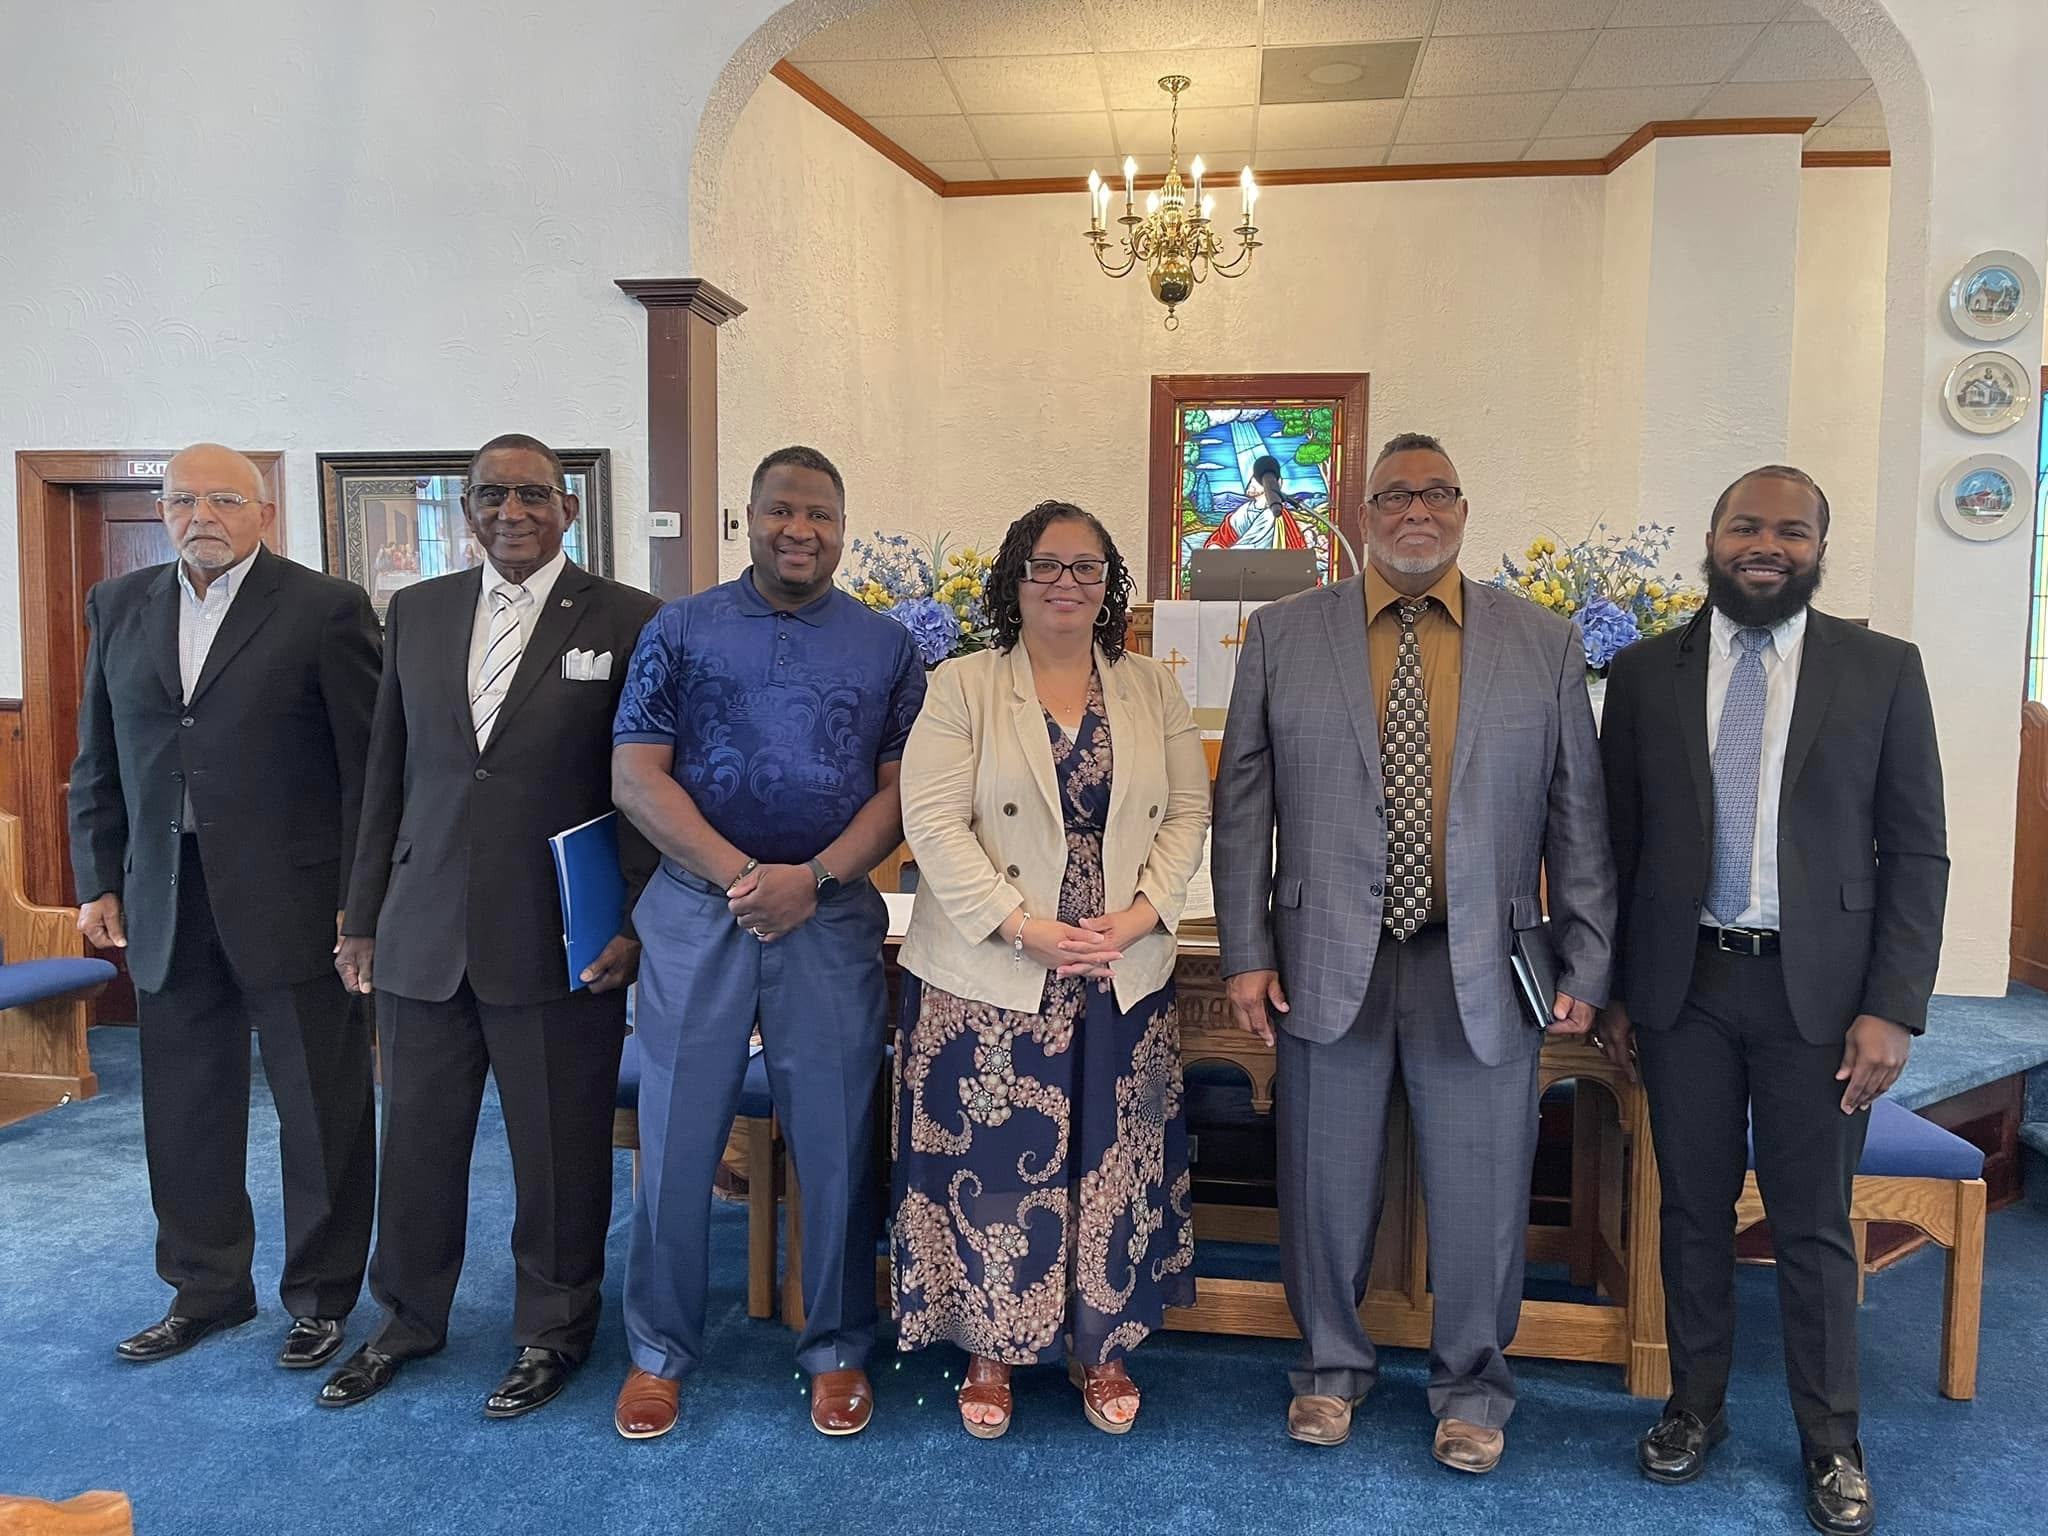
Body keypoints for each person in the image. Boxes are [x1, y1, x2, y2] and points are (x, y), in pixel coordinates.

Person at [1211, 431, 1614, 1473]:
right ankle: (1328, 1369)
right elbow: (1243, 803)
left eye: (1437, 493)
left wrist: (1585, 960)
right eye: (1394, 495)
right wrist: (1246, 950)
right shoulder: (1283, 634)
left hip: (1481, 958)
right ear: (1362, 514)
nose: (1416, 512)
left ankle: (1472, 1388)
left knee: (1483, 1192)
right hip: (1322, 955)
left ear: (1464, 510)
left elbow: (1576, 815)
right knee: (1323, 1182)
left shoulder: (1541, 641)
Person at [1598, 466, 1947, 1536]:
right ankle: (1693, 1410)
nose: (1766, 545)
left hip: (1823, 997)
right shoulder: (1644, 672)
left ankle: (1830, 1442)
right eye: (1745, 526)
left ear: (1817, 548)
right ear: (1710, 538)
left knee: (1811, 1225)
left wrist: (1892, 1005)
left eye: (1791, 531)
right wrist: (1614, 988)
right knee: (1690, 1211)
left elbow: (1916, 849)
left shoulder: (1881, 669)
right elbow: (1613, 841)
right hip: (1684, 986)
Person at [319, 433, 660, 1419]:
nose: (511, 511)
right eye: (491, 494)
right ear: (466, 509)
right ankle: (406, 1317)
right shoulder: (417, 612)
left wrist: (631, 918)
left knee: (558, 1149)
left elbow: (646, 785)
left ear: (568, 508)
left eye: (532, 494)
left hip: (561, 934)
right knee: (417, 1144)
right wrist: (361, 915)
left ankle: (553, 1329)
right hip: (424, 927)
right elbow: (384, 774)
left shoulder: (630, 619)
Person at [609, 445, 925, 1441]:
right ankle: (659, 1351)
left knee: (836, 1141)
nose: (801, 530)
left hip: (827, 918)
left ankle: (835, 1348)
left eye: (820, 514)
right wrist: (743, 877)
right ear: (748, 518)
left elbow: (901, 794)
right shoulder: (680, 629)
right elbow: (636, 775)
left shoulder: (886, 647)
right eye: (782, 510)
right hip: (698, 910)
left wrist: (813, 878)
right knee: (677, 1137)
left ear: (843, 527)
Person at [894, 499, 1210, 1439]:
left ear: (1109, 584)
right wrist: (1020, 926)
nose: (1065, 582)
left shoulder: (1152, 687)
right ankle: (989, 1346)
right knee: (994, 1163)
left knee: (1112, 1158)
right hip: (990, 968)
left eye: (1085, 567)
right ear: (1015, 578)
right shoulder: (963, 684)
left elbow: (1187, 813)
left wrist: (1141, 916)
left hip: (1117, 962)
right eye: (1046, 565)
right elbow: (931, 819)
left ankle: (1102, 1342)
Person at [68, 442, 381, 1370]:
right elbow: (100, 757)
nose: (199, 517)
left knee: (319, 1107)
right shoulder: (118, 605)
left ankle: (320, 1298)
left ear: (263, 512)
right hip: (166, 896)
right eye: (180, 501)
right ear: (162, 511)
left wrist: (359, 902)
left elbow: (367, 770)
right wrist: (98, 878)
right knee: (184, 1105)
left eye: (222, 500)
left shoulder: (325, 608)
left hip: (298, 898)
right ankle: (205, 1289)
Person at [1204, 453, 1313, 551]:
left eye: (1256, 477)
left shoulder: (1279, 517)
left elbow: (1296, 552)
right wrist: (1215, 548)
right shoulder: (1238, 516)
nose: (1251, 481)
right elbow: (1218, 541)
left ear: (1277, 483)